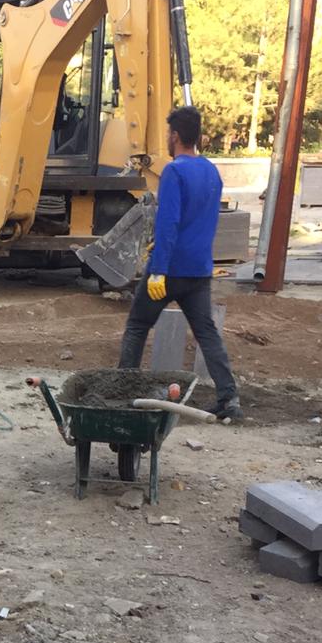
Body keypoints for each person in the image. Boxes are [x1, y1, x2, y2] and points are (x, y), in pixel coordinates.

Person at [118, 106, 241, 421]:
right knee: (206, 332)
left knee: (137, 326)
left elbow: (168, 224)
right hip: (199, 270)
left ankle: (121, 393)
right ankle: (229, 399)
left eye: (167, 134)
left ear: (174, 136)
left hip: (169, 269)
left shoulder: (174, 172)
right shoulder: (211, 171)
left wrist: (158, 270)